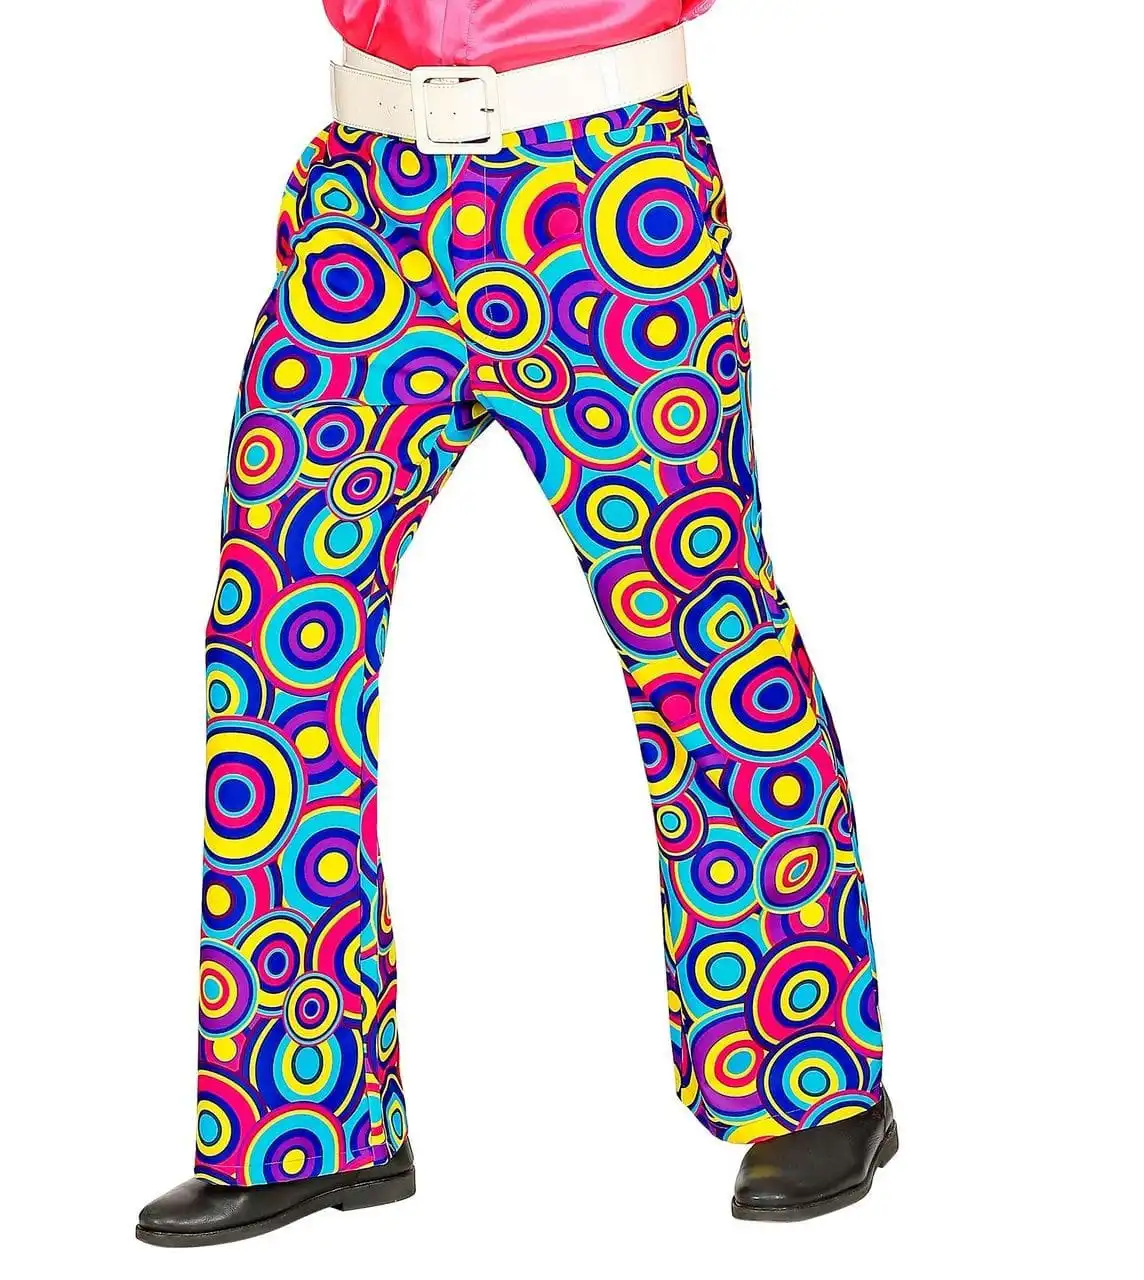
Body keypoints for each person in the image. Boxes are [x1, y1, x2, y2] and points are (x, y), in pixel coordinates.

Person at [137, 0, 897, 1246]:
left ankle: (811, 1083)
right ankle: (302, 1121)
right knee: (278, 627)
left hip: (604, 182)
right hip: (363, 192)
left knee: (697, 625)